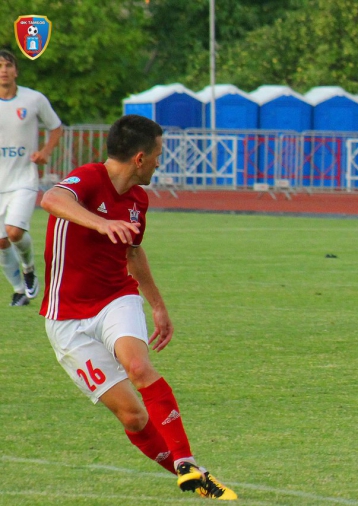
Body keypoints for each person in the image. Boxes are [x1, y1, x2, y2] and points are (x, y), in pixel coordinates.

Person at [39, 115, 237, 500]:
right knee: (133, 415)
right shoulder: (90, 178)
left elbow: (132, 252)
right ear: (141, 158)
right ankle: (196, 476)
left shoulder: (138, 200)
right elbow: (51, 198)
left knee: (138, 366)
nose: (161, 163)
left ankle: (185, 460)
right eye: (160, 155)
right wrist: (98, 223)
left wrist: (158, 307)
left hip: (116, 297)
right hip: (66, 318)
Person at [0, 48, 62, 306]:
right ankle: (18, 290)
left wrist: (45, 151)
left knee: (14, 232)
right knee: (1, 241)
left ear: (16, 71)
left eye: (8, 65)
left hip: (24, 179)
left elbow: (56, 127)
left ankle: (29, 269)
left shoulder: (33, 99)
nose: (3, 70)